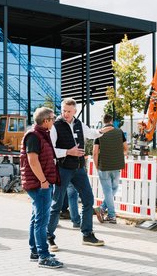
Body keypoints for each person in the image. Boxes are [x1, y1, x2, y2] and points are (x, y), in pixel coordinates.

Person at [47, 98, 112, 252]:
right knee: (56, 204)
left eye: (69, 111)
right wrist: (68, 152)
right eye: (63, 110)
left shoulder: (78, 123)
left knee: (89, 200)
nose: (65, 113)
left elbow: (90, 133)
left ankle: (87, 234)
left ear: (75, 111)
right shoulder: (55, 126)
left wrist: (101, 131)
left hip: (79, 169)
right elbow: (50, 149)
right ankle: (48, 237)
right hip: (63, 169)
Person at [20, 107, 63, 269]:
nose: (54, 121)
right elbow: (32, 161)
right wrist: (44, 181)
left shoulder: (41, 134)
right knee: (41, 221)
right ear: (45, 121)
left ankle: (35, 252)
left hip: (40, 183)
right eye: (52, 118)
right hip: (39, 184)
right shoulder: (33, 136)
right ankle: (43, 257)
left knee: (36, 218)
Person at [93, 114, 128, 224]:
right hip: (116, 165)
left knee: (108, 190)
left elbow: (94, 152)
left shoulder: (99, 133)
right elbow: (126, 149)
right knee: (114, 188)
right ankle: (103, 209)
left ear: (103, 121)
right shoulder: (120, 132)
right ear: (112, 121)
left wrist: (96, 166)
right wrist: (117, 155)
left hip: (104, 166)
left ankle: (111, 214)